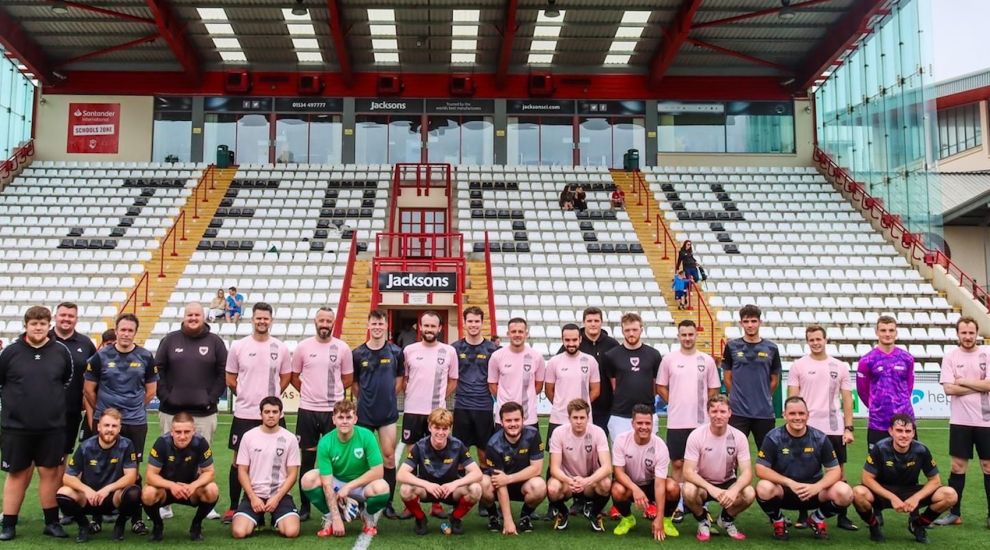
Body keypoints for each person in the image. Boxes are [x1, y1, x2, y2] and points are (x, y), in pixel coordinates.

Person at [0, 306, 74, 540]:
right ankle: (9, 524)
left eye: (43, 323)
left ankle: (51, 522)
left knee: (50, 474)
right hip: (17, 428)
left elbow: (66, 379)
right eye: (34, 324)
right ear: (26, 326)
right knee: (17, 474)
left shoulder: (60, 351)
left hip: (51, 427)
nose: (38, 328)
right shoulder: (10, 352)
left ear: (48, 325)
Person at [83, 312, 157, 535]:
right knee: (99, 468)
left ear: (135, 333)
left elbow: (151, 390)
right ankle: (95, 517)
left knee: (133, 470)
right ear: (116, 331)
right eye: (122, 329)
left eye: (130, 330)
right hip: (104, 422)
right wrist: (107, 414)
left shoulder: (145, 356)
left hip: (135, 422)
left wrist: (132, 409)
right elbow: (88, 390)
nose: (125, 334)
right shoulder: (100, 356)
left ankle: (135, 518)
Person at [222, 302, 292, 523]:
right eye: (258, 318)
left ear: (271, 320)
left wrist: (270, 400)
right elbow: (230, 378)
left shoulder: (280, 347)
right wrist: (244, 393)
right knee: (238, 462)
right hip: (244, 413)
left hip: (273, 415)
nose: (262, 321)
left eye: (266, 318)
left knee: (280, 459)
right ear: (252, 319)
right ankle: (234, 506)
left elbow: (286, 376)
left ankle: (281, 503)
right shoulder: (239, 346)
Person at [755, 396, 853, 540]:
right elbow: (760, 469)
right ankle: (778, 521)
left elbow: (835, 471)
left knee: (845, 492)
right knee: (763, 487)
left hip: (813, 492)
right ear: (784, 415)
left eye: (801, 413)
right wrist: (790, 483)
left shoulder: (819, 438)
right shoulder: (773, 437)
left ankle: (817, 518)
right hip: (784, 491)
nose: (797, 418)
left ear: (808, 415)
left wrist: (817, 487)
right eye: (792, 414)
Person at [787, 325, 856, 530]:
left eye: (819, 339)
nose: (816, 343)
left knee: (839, 472)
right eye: (811, 340)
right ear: (807, 342)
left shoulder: (840, 366)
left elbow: (846, 398)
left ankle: (842, 516)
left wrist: (849, 427)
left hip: (833, 428)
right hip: (806, 428)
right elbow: (793, 397)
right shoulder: (798, 366)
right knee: (802, 472)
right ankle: (803, 513)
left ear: (826, 340)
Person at [290, 306, 354, 522]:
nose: (325, 324)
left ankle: (337, 503)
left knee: (335, 460)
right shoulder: (303, 347)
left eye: (328, 321)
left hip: (332, 413)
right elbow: (294, 376)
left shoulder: (342, 348)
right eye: (321, 321)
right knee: (307, 459)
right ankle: (305, 507)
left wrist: (332, 398)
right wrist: (309, 393)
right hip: (308, 410)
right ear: (315, 322)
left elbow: (347, 379)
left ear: (333, 323)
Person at [851, 413, 957, 543]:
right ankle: (874, 526)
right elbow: (867, 479)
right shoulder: (880, 448)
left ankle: (918, 524)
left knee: (950, 495)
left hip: (910, 490)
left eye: (908, 431)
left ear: (913, 433)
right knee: (857, 493)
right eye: (899, 431)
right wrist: (892, 497)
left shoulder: (921, 450)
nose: (904, 435)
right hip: (884, 492)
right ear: (891, 431)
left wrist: (915, 498)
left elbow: (935, 481)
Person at [654, 319, 720, 524]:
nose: (687, 338)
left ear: (696, 335)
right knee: (678, 463)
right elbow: (661, 386)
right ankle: (680, 505)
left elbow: (714, 389)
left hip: (700, 422)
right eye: (684, 335)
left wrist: (706, 408)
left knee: (701, 464)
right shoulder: (669, 359)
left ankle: (703, 503)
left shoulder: (706, 360)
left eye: (691, 334)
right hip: (677, 421)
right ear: (678, 336)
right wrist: (673, 401)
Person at [299, 399, 389, 538]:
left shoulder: (367, 436)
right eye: (341, 417)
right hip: (337, 483)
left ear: (355, 419)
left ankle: (367, 515)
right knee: (308, 479)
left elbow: (378, 472)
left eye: (349, 417)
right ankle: (329, 516)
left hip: (361, 484)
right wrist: (336, 518)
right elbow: (327, 482)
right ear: (334, 419)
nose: (345, 421)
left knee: (382, 488)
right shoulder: (325, 442)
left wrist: (348, 487)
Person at [400, 311, 458, 518]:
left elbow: (453, 380)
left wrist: (440, 400)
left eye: (433, 326)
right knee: (412, 457)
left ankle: (437, 504)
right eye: (426, 326)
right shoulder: (409, 350)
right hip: (413, 411)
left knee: (438, 459)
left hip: (436, 413)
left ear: (440, 328)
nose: (429, 330)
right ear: (420, 327)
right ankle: (410, 503)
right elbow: (404, 378)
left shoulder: (449, 351)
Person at [56, 408, 141, 543]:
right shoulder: (86, 446)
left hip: (112, 497)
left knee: (133, 492)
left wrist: (107, 489)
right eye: (106, 425)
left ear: (119, 428)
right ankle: (83, 525)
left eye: (114, 426)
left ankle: (120, 524)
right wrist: (87, 490)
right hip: (89, 498)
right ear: (99, 427)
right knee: (63, 493)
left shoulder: (127, 444)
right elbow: (67, 477)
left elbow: (131, 476)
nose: (110, 429)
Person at [936, 316, 990, 527]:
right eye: (963, 333)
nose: (967, 337)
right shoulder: (950, 356)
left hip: (986, 421)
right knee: (958, 467)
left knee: (988, 466)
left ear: (976, 333)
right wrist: (980, 385)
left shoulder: (987, 353)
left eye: (971, 332)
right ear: (957, 334)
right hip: (960, 421)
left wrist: (963, 382)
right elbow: (949, 389)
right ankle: (954, 513)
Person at [351, 309, 405, 519]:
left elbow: (399, 380)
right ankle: (358, 500)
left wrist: (387, 398)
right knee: (362, 459)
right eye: (373, 324)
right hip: (364, 414)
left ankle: (388, 501)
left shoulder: (396, 352)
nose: (376, 327)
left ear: (386, 326)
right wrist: (365, 400)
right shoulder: (358, 353)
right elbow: (355, 384)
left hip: (387, 414)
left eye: (380, 324)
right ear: (368, 326)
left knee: (389, 457)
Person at [398, 408, 483, 535]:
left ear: (449, 429)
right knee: (405, 489)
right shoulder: (420, 446)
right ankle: (421, 519)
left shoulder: (458, 445)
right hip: (427, 490)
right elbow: (401, 474)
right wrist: (427, 484)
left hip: (451, 491)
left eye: (444, 429)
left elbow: (477, 473)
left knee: (476, 489)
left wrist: (454, 484)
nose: (440, 432)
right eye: (437, 428)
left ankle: (455, 518)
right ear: (430, 427)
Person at [682, 395, 754, 541]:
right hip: (703, 483)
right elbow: (688, 471)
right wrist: (712, 489)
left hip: (728, 481)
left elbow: (747, 472)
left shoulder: (739, 437)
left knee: (749, 493)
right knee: (688, 490)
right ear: (708, 413)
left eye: (722, 411)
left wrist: (733, 490)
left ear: (729, 413)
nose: (718, 415)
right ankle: (703, 520)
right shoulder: (696, 435)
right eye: (714, 411)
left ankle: (726, 519)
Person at [141, 412, 220, 541]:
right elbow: (150, 476)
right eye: (178, 432)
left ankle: (196, 525)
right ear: (172, 431)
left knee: (212, 490)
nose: (182, 436)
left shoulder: (200, 443)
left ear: (193, 431)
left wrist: (193, 485)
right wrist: (172, 485)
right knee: (148, 493)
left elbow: (210, 472)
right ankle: (157, 525)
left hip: (190, 490)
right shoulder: (162, 443)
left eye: (187, 432)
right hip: (166, 490)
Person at [230, 397, 300, 539]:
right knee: (239, 532)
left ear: (280, 414)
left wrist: (277, 498)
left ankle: (276, 518)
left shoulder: (290, 438)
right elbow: (242, 471)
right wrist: (253, 497)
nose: (271, 415)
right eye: (267, 411)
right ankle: (258, 518)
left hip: (280, 495)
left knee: (291, 532)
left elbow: (293, 474)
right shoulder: (249, 437)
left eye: (275, 412)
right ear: (260, 414)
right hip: (255, 494)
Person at [610, 403, 680, 539]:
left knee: (673, 487)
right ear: (632, 423)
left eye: (648, 423)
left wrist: (658, 518)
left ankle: (666, 520)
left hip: (652, 485)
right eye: (639, 423)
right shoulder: (621, 440)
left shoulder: (660, 446)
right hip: (630, 484)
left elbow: (660, 484)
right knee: (617, 489)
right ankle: (628, 519)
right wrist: (635, 489)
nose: (644, 427)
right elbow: (618, 472)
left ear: (652, 424)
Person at [480, 402, 546, 534]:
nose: (513, 424)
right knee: (482, 483)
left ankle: (525, 516)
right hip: (500, 486)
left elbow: (536, 469)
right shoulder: (493, 444)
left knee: (540, 486)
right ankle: (494, 516)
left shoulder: (533, 435)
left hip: (523, 483)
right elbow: (499, 482)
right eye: (508, 420)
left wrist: (509, 478)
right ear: (502, 422)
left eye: (516, 420)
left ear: (523, 420)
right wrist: (508, 520)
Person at [546, 399, 612, 532]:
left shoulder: (598, 432)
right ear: (569, 418)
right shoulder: (559, 433)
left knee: (605, 484)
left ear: (588, 418)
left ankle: (594, 512)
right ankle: (563, 512)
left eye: (582, 417)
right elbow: (554, 468)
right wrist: (570, 480)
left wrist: (586, 481)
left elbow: (607, 467)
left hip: (589, 482)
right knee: (552, 488)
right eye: (575, 417)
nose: (579, 421)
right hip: (567, 482)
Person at [721, 304, 781, 449]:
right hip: (738, 411)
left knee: (767, 454)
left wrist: (764, 395)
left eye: (753, 321)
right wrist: (736, 395)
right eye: (746, 321)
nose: (750, 325)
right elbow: (727, 377)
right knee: (732, 453)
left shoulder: (771, 348)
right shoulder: (732, 346)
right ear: (741, 323)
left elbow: (774, 379)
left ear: (760, 322)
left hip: (764, 411)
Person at [50, 303, 98, 484]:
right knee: (35, 458)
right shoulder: (43, 338)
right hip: (40, 412)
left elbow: (93, 377)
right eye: (63, 315)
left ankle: (59, 501)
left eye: (71, 316)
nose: (66, 319)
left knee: (63, 456)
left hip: (70, 412)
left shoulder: (86, 344)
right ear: (56, 316)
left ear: (76, 319)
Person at [558, 307, 619, 437]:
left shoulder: (612, 344)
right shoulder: (572, 342)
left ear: (601, 322)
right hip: (577, 410)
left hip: (604, 407)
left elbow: (617, 375)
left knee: (598, 446)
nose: (593, 324)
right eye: (589, 320)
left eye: (596, 320)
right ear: (584, 322)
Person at [857, 315, 916, 448]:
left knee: (908, 464)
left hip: (905, 421)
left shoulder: (907, 358)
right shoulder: (867, 360)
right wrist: (876, 406)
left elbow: (909, 386)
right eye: (883, 330)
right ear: (877, 332)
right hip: (878, 422)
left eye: (891, 330)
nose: (887, 334)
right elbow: (862, 391)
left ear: (896, 332)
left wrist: (901, 403)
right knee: (876, 466)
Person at [602, 312, 662, 441]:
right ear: (622, 331)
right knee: (620, 457)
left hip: (648, 414)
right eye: (627, 330)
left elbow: (655, 384)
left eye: (634, 329)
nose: (631, 333)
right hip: (620, 415)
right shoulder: (611, 356)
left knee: (648, 455)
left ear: (641, 329)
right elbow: (613, 385)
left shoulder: (654, 354)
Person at [452, 307, 500, 468]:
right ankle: (460, 491)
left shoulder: (492, 349)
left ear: (482, 323)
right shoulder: (455, 348)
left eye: (477, 321)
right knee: (459, 453)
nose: (473, 325)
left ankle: (485, 490)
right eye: (470, 321)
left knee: (484, 453)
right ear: (464, 323)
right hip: (461, 406)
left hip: (484, 407)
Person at [545, 323, 601, 443]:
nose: (571, 343)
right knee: (555, 457)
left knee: (585, 456)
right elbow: (549, 390)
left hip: (583, 419)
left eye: (574, 339)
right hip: (558, 418)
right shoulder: (554, 362)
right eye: (567, 340)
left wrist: (581, 408)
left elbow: (596, 390)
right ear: (562, 340)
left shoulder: (590, 361)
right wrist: (560, 405)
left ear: (580, 339)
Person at [488, 317, 546, 429]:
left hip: (529, 417)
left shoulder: (537, 357)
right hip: (504, 418)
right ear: (508, 334)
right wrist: (505, 400)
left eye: (520, 331)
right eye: (513, 331)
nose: (517, 334)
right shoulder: (497, 356)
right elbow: (492, 385)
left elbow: (538, 386)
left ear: (526, 334)